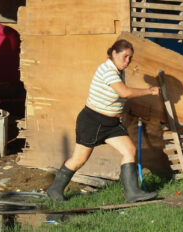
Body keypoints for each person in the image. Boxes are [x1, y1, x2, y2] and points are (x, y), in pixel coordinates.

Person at [46, 39, 159, 203]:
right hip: (92, 121)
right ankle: (55, 190)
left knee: (130, 150)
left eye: (130, 58)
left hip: (111, 124)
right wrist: (149, 90)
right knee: (79, 160)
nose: (127, 61)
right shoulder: (107, 69)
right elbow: (124, 92)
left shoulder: (119, 71)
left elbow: (118, 98)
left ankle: (132, 193)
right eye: (125, 56)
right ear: (114, 53)